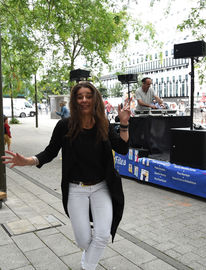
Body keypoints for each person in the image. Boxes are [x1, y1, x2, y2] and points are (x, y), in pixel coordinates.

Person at [1, 82, 131, 270]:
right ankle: (88, 256)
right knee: (83, 241)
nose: (84, 100)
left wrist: (124, 123)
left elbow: (122, 148)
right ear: (74, 101)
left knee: (102, 235)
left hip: (102, 187)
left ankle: (87, 267)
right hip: (75, 189)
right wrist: (28, 161)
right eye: (80, 96)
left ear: (95, 99)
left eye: (88, 95)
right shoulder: (65, 125)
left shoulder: (104, 123)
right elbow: (50, 152)